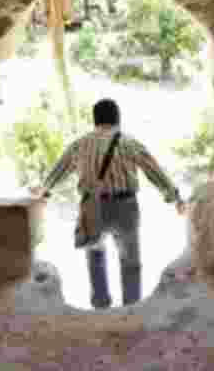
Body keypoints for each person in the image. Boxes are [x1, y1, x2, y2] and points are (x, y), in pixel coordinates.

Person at [30, 98, 186, 309]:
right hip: (125, 207)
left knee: (96, 259)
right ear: (117, 119)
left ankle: (101, 307)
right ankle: (130, 308)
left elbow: (59, 171)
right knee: (130, 262)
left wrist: (44, 193)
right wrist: (174, 197)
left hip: (92, 208)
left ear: (95, 120)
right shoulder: (130, 143)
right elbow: (154, 171)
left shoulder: (80, 144)